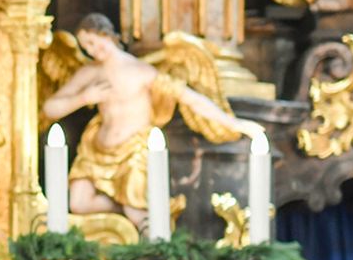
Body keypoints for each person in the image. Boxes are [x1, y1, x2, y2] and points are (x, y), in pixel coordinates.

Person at [41, 13, 262, 228]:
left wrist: (235, 124)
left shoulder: (141, 71)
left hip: (133, 150)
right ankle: (129, 212)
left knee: (136, 211)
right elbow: (50, 108)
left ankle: (146, 231)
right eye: (85, 46)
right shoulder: (89, 73)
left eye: (92, 42)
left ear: (106, 35)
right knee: (78, 204)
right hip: (95, 151)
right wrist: (84, 98)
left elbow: (190, 98)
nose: (90, 50)